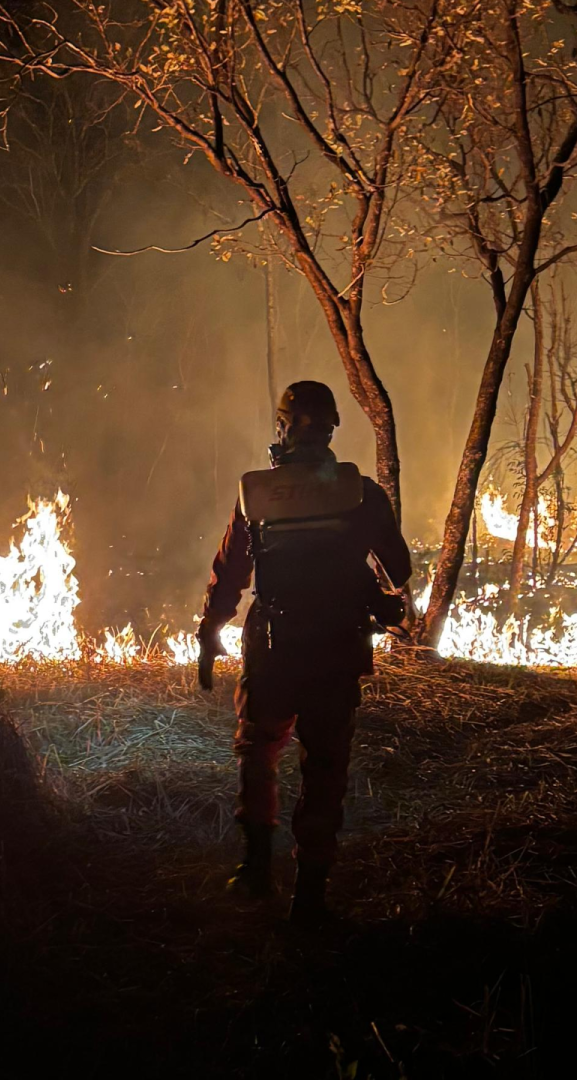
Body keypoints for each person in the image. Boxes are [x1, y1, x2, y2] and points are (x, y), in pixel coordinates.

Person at [196, 380, 410, 924]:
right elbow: (399, 571)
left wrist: (210, 632)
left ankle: (255, 870)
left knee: (258, 752)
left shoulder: (257, 494)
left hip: (273, 646)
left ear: (282, 428)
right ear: (334, 427)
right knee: (325, 768)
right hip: (337, 647)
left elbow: (230, 575)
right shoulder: (360, 492)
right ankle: (310, 894)